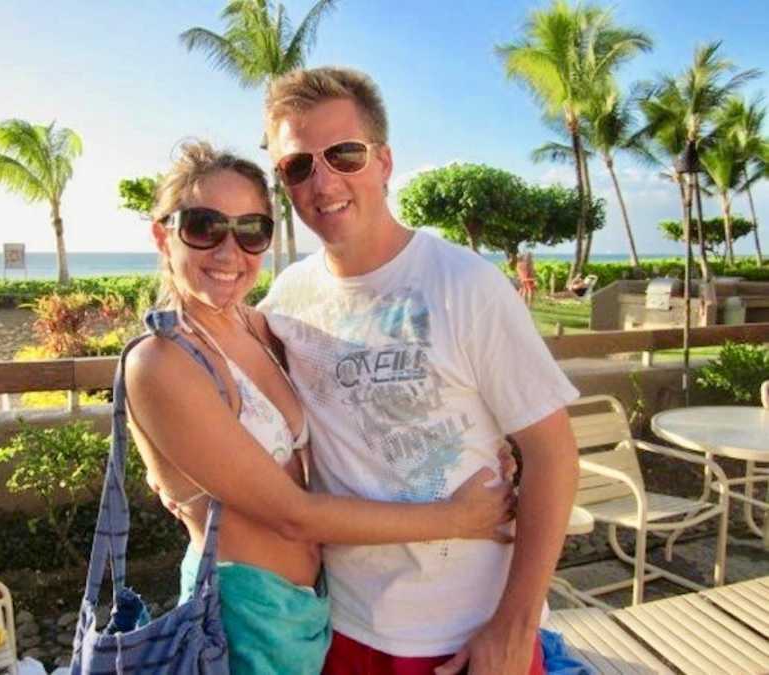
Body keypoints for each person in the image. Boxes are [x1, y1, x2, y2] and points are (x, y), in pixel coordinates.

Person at [125, 140, 519, 674]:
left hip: (313, 608)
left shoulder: (259, 325)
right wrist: (457, 518)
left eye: (250, 231)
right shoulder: (163, 362)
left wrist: (480, 437)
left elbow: (368, 391)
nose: (228, 252)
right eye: (203, 227)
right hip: (244, 617)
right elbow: (293, 516)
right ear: (161, 234)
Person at [260, 67, 580, 674]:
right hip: (344, 628)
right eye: (297, 166)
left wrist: (513, 626)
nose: (322, 181)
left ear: (383, 162)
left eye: (344, 154)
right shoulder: (285, 302)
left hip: (470, 632)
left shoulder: (466, 284)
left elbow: (554, 454)